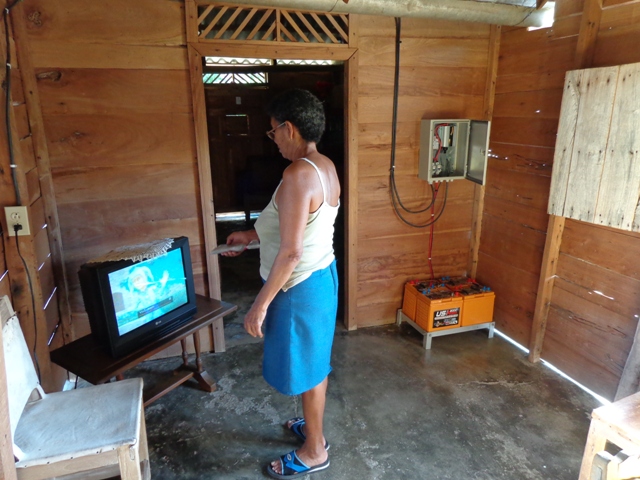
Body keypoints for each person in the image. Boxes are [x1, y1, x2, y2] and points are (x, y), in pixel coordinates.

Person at [223, 88, 340, 479]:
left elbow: (291, 253)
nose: (273, 140)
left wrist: (259, 305)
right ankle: (313, 428)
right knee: (313, 362)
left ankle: (314, 450)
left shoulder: (297, 174)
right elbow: (303, 228)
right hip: (321, 278)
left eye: (273, 131)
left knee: (308, 367)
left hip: (298, 288)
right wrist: (250, 235)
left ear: (289, 128)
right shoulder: (323, 166)